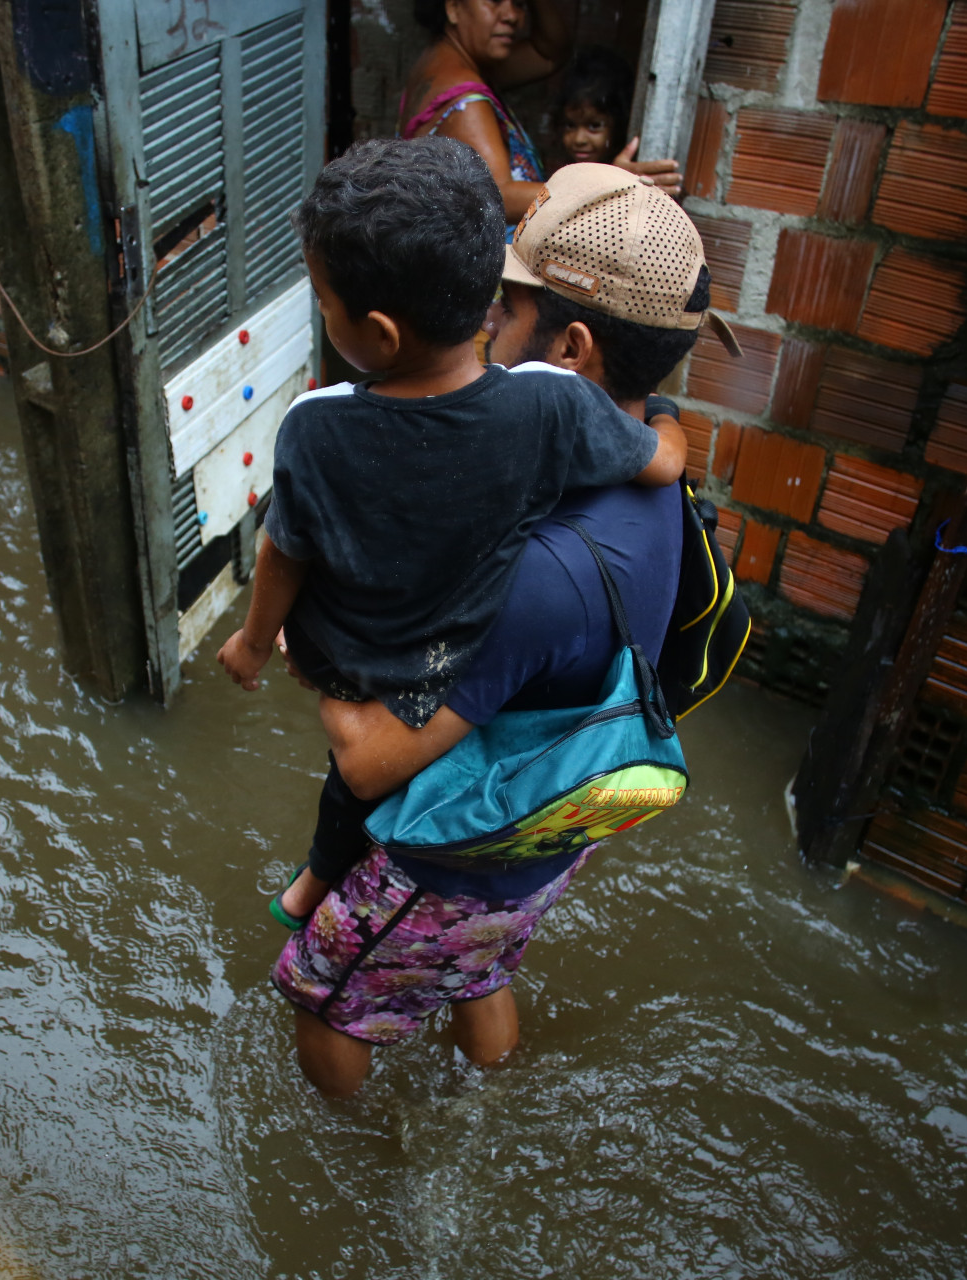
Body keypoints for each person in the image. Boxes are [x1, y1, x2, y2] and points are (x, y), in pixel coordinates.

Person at [270, 163, 740, 1096]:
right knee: (482, 958)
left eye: (505, 307)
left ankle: (352, 1185)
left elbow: (369, 760)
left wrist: (308, 645)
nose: (483, 323)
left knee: (324, 997)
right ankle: (488, 1092)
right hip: (547, 827)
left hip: (448, 854)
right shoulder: (652, 466)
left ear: (570, 346)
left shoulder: (540, 576)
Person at [215, 141, 688, 924]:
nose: (498, 310)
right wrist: (671, 421)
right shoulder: (555, 411)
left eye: (324, 304)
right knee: (479, 964)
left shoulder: (318, 426)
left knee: (320, 998)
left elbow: (285, 553)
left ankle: (311, 886)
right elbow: (660, 464)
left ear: (378, 331)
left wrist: (265, 645)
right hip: (526, 799)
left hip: (390, 738)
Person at [397, 0, 680, 227]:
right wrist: (606, 187)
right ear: (453, 7)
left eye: (519, 3)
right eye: (495, 1)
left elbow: (550, 52)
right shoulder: (466, 103)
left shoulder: (443, 64)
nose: (512, 16)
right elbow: (500, 197)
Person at [551, 46, 635, 168]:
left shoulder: (629, 174)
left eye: (594, 126)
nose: (579, 139)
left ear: (619, 127)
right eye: (570, 125)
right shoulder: (567, 173)